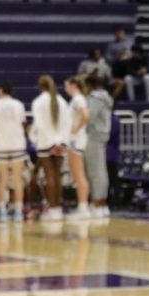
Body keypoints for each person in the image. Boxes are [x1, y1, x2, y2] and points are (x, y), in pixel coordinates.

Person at [30, 75, 71, 222]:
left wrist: (52, 143)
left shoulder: (38, 102)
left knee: (49, 176)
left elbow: (40, 125)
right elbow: (67, 124)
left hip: (46, 143)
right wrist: (61, 142)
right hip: (61, 143)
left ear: (40, 86)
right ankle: (57, 209)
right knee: (57, 176)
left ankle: (52, 210)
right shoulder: (63, 101)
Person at [0, 81, 28, 222]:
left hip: (2, 144)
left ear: (0, 90)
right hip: (17, 143)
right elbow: (22, 123)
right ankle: (18, 211)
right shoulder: (19, 104)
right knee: (18, 179)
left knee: (3, 180)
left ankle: (2, 212)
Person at [84, 74, 114, 220]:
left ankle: (97, 203)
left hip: (93, 136)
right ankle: (101, 203)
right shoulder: (105, 97)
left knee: (95, 173)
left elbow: (89, 118)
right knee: (101, 172)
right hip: (101, 137)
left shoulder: (95, 99)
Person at [63, 75, 91, 220]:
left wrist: (76, 129)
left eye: (66, 85)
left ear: (74, 85)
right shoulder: (76, 99)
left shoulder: (78, 99)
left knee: (79, 175)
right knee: (77, 175)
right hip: (76, 141)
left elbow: (85, 116)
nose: (65, 88)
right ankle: (82, 207)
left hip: (76, 141)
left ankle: (83, 208)